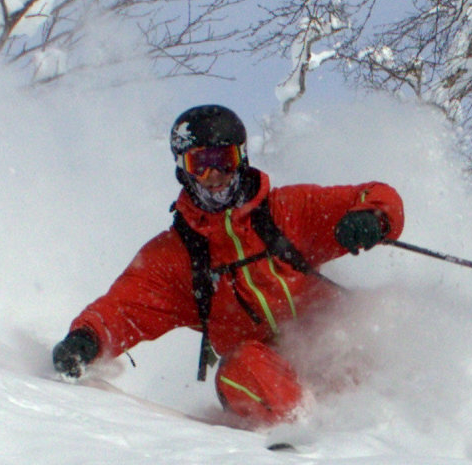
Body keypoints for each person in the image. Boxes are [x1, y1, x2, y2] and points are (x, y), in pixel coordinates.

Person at [50, 104, 404, 426]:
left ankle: (399, 435)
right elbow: (124, 308)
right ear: (183, 172)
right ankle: (309, 437)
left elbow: (376, 194)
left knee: (368, 357)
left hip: (328, 345)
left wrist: (373, 217)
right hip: (265, 376)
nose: (214, 175)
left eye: (224, 160)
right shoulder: (179, 256)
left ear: (242, 158)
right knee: (241, 367)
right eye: (199, 165)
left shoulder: (288, 212)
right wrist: (86, 339)